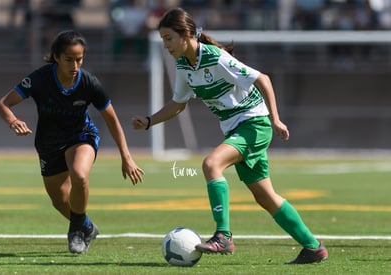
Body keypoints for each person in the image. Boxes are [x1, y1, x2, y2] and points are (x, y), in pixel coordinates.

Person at [132, 7, 327, 264]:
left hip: (254, 124)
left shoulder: (216, 57)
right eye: (163, 39)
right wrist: (149, 121)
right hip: (237, 128)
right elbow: (178, 104)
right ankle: (313, 247)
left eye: (168, 38)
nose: (165, 45)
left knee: (211, 164)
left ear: (186, 34)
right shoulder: (184, 65)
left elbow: (263, 79)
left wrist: (275, 119)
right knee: (265, 197)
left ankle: (223, 236)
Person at [0, 30, 144, 254]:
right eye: (69, 59)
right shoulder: (39, 79)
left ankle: (75, 232)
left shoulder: (89, 83)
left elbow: (112, 120)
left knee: (79, 175)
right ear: (56, 56)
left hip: (81, 136)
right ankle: (86, 226)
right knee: (59, 200)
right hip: (48, 143)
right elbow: (3, 104)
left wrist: (127, 157)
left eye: (79, 59)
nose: (75, 65)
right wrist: (13, 120)